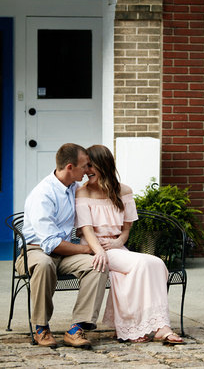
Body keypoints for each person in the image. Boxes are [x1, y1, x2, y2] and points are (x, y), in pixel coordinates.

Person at [75, 144, 184, 344]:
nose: (86, 171)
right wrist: (99, 250)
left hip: (117, 248)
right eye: (85, 166)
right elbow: (87, 230)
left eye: (90, 166)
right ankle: (159, 327)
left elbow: (126, 230)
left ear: (103, 165)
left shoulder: (124, 191)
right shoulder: (83, 193)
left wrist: (117, 242)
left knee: (156, 264)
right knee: (143, 264)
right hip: (94, 250)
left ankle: (146, 325)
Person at [16, 143, 108, 349]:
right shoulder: (43, 195)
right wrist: (87, 248)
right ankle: (41, 327)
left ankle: (76, 329)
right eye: (85, 166)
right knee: (44, 264)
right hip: (35, 251)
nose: (87, 171)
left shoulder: (74, 188)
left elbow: (101, 192)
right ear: (69, 167)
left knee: (98, 264)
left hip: (64, 253)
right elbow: (50, 244)